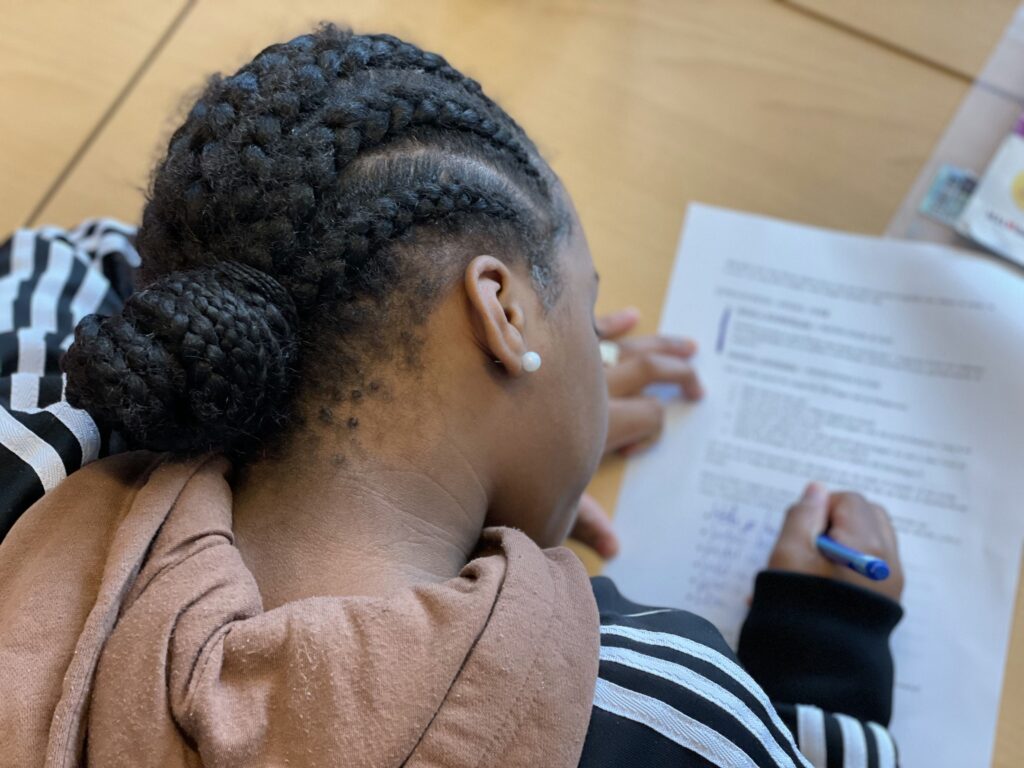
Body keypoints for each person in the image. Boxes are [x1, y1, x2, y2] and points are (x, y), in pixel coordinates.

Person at [0, 25, 903, 767]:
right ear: (501, 311)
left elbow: (62, 255)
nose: (594, 345)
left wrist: (508, 410)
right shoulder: (666, 712)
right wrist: (830, 651)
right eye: (585, 311)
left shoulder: (39, 454)